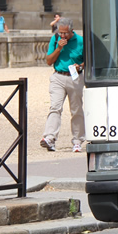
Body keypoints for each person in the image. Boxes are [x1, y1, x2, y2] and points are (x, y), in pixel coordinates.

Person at [41, 18, 85, 153]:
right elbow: (49, 61)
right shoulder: (55, 39)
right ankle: (50, 138)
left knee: (76, 110)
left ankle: (77, 140)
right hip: (58, 76)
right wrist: (59, 48)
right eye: (61, 33)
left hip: (74, 77)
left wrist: (80, 66)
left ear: (72, 30)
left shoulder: (81, 41)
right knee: (55, 107)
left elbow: (88, 60)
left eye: (65, 33)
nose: (63, 36)